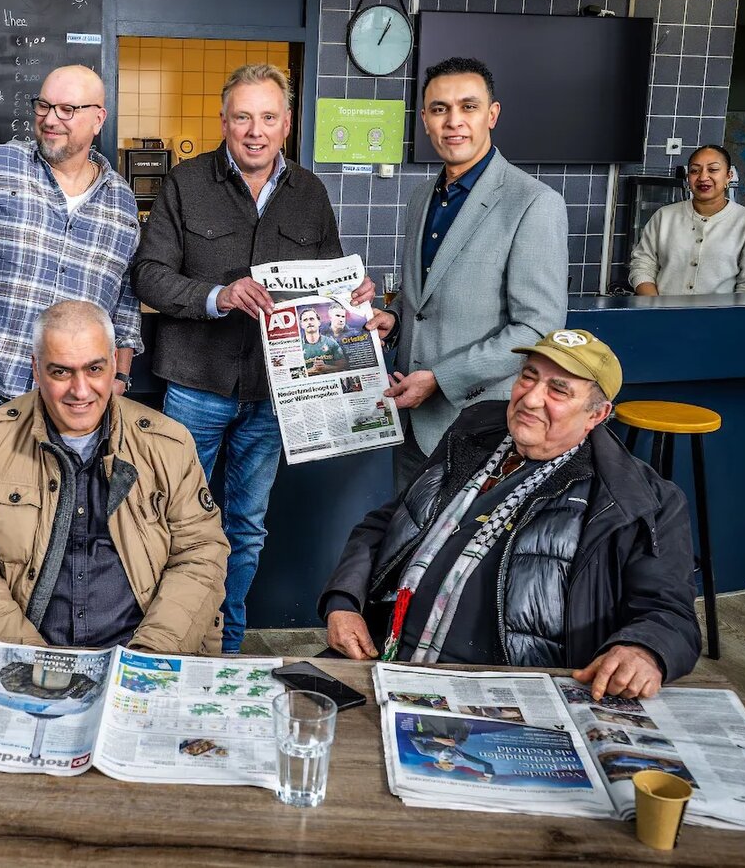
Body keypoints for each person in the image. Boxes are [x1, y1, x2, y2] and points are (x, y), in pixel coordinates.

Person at [131, 62, 374, 653]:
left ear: (287, 124)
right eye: (243, 117)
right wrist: (217, 296)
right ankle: (166, 642)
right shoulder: (186, 183)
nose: (255, 131)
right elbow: (148, 275)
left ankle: (227, 646)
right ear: (224, 121)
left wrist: (356, 300)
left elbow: (330, 291)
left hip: (273, 394)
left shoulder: (311, 195)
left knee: (245, 527)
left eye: (268, 117)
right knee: (170, 520)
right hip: (194, 384)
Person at [320, 328, 700, 700]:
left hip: (506, 692)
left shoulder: (635, 499)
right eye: (528, 377)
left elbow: (669, 613)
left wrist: (643, 650)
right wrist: (343, 602)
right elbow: (388, 522)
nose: (531, 399)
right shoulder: (474, 434)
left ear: (596, 415)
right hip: (384, 653)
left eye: (558, 390)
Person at [0, 300, 228, 653]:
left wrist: (152, 655)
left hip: (141, 649)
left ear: (114, 365)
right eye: (61, 372)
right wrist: (27, 657)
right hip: (25, 651)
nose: (80, 390)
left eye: (94, 369)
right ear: (36, 369)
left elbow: (199, 554)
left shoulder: (168, 443)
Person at [365, 57, 568, 490]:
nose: (453, 121)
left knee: (467, 536)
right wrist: (395, 320)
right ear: (425, 119)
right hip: (412, 424)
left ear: (492, 114)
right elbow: (424, 299)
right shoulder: (421, 198)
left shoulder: (533, 202)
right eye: (440, 109)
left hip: (481, 426)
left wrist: (440, 380)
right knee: (405, 530)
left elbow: (538, 328)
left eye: (468, 107)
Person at [0, 65, 142, 422]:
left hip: (79, 398)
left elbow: (125, 298)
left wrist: (120, 376)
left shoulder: (122, 200)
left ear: (98, 119)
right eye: (43, 105)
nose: (50, 120)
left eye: (67, 110)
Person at [628, 144, 745, 296]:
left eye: (713, 170)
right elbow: (642, 265)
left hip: (721, 311)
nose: (703, 177)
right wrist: (654, 305)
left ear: (728, 176)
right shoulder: (664, 216)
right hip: (660, 309)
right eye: (694, 171)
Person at [300, 306, 347, 374]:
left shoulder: (331, 343)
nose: (309, 322)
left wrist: (326, 367)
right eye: (305, 320)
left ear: (319, 322)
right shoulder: (298, 347)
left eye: (312, 319)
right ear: (302, 325)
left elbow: (343, 366)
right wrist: (311, 370)